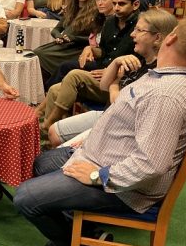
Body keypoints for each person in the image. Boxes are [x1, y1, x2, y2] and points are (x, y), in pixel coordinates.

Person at [13, 16, 186, 246]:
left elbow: (151, 163)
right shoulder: (165, 78)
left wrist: (97, 176)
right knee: (42, 163)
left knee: (25, 197)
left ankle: (75, 244)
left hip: (123, 186)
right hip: (103, 158)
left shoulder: (166, 95)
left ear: (171, 38)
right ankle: (83, 229)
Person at [47, 9, 178, 147]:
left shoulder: (155, 72)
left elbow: (120, 104)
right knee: (53, 132)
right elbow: (104, 86)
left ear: (157, 38)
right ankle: (47, 127)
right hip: (109, 115)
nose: (132, 34)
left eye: (139, 30)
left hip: (118, 127)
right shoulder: (140, 59)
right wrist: (116, 62)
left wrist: (115, 84)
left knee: (55, 148)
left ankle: (47, 128)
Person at [39, 0, 141, 132]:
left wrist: (111, 71)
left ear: (135, 4)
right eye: (114, 3)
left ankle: (48, 124)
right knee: (54, 89)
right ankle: (52, 134)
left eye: (122, 4)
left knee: (73, 74)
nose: (116, 8)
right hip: (101, 75)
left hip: (122, 84)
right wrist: (91, 49)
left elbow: (140, 63)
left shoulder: (141, 27)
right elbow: (104, 52)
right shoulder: (110, 22)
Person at [34, 0, 98, 79]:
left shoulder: (95, 12)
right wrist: (58, 36)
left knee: (40, 54)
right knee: (36, 53)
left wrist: (73, 38)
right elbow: (56, 30)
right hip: (64, 45)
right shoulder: (71, 9)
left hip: (77, 49)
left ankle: (50, 82)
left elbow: (95, 40)